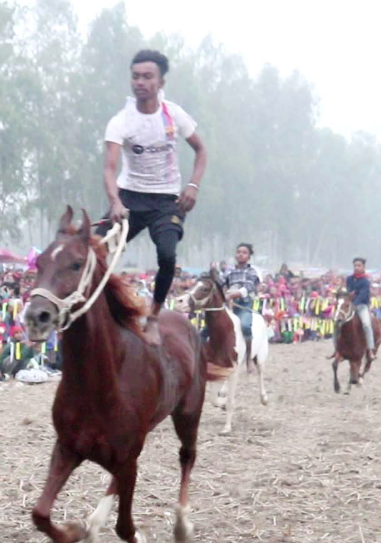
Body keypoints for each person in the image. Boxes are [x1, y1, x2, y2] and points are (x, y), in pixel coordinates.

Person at [97, 49, 207, 346]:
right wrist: (116, 202)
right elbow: (109, 168)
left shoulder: (174, 114)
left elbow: (201, 150)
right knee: (93, 248)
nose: (140, 82)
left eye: (147, 77)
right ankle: (98, 311)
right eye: (136, 76)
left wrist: (193, 186)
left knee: (168, 255)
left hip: (166, 200)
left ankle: (154, 317)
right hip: (130, 197)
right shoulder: (122, 121)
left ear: (161, 82)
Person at [223, 243, 262, 369]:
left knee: (245, 326)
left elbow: (249, 287)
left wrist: (232, 295)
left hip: (244, 304)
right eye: (238, 251)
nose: (240, 254)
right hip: (229, 304)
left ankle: (249, 358)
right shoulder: (229, 271)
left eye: (244, 252)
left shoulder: (252, 271)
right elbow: (221, 283)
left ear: (249, 256)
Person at [345, 257, 376, 361]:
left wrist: (355, 300)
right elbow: (349, 291)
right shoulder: (349, 279)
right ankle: (337, 348)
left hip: (362, 306)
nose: (356, 267)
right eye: (355, 265)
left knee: (367, 325)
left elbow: (362, 295)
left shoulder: (366, 281)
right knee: (338, 322)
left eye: (359, 266)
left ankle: (370, 350)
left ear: (363, 267)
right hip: (350, 304)